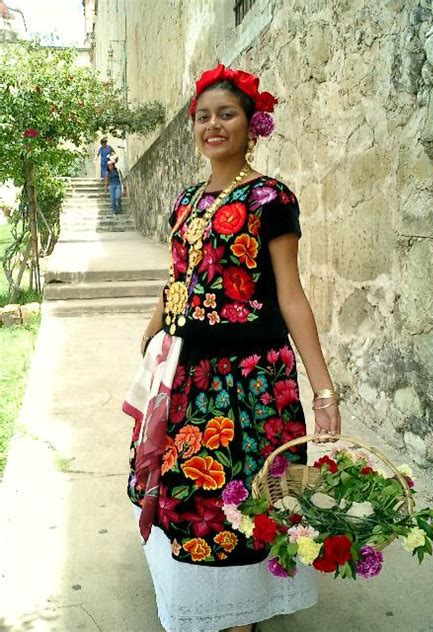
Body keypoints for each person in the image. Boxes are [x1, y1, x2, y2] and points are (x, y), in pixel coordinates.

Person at [123, 64, 341, 632]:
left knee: (248, 496)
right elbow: (178, 276)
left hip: (252, 379)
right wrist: (154, 327)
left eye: (227, 114)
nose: (212, 125)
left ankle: (239, 611)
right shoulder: (186, 201)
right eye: (203, 117)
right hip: (188, 374)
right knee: (190, 493)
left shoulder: (272, 199)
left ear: (252, 124)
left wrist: (324, 390)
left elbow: (291, 296)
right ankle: (204, 601)